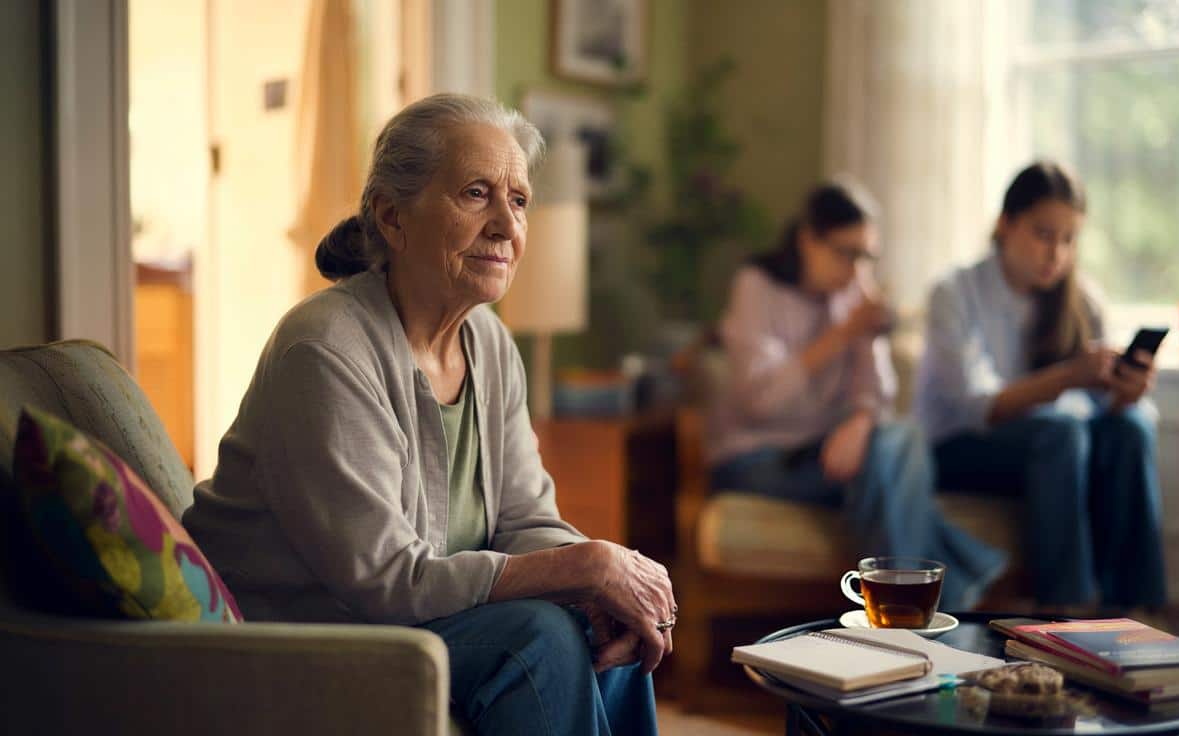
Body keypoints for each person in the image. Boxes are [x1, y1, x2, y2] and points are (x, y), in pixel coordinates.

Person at [182, 94, 671, 735]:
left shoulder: (490, 342)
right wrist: (585, 566)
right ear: (392, 215)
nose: (505, 225)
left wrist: (600, 581)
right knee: (539, 635)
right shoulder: (325, 348)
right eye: (476, 193)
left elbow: (525, 517)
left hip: (407, 621)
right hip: (293, 637)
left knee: (604, 615)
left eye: (518, 200)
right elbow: (385, 579)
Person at [707, 181, 1007, 611]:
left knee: (897, 441)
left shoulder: (853, 292)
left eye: (866, 256)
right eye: (845, 253)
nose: (855, 268)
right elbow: (761, 401)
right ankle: (940, 596)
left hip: (827, 454)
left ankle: (896, 614)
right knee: (893, 466)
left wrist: (860, 422)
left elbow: (877, 393)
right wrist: (843, 333)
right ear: (807, 239)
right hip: (757, 459)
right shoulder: (756, 286)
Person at [915, 161, 1167, 613]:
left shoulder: (1080, 299)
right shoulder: (954, 292)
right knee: (1060, 430)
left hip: (1050, 449)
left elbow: (1097, 410)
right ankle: (1064, 611)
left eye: (1069, 239)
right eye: (1043, 234)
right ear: (1004, 224)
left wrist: (1125, 393)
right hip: (958, 447)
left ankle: (1133, 612)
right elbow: (979, 407)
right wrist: (1069, 376)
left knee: (1133, 426)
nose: (1056, 253)